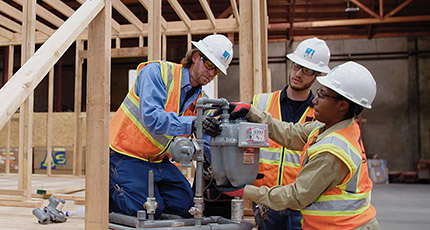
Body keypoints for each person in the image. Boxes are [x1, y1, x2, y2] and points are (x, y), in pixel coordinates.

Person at [218, 61, 380, 229]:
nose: (315, 100)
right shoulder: (334, 127)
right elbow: (290, 133)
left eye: (323, 95)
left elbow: (297, 195)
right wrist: (251, 112)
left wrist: (246, 192)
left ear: (342, 105)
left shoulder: (331, 153)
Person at [109, 34, 233, 219]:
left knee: (185, 206)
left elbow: (207, 142)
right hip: (126, 156)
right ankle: (110, 187)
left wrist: (228, 169)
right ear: (196, 56)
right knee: (148, 210)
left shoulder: (202, 101)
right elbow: (152, 118)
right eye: (210, 65)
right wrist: (192, 123)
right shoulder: (157, 73)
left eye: (217, 71)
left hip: (159, 161)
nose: (211, 73)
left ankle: (145, 192)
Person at [251, 37, 331, 230]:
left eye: (307, 70)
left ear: (317, 75)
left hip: (300, 203)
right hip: (265, 199)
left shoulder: (322, 114)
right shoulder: (261, 103)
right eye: (296, 66)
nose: (298, 73)